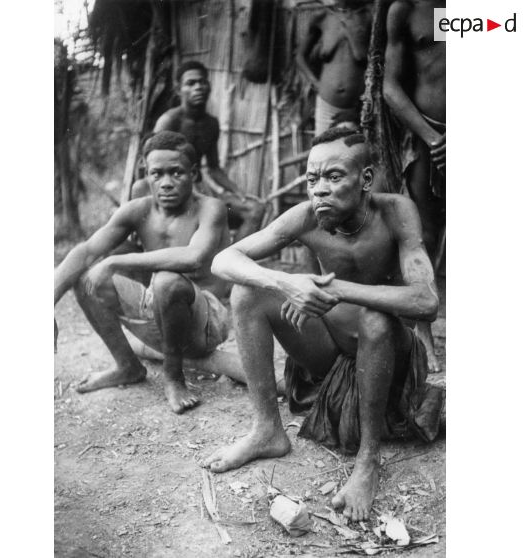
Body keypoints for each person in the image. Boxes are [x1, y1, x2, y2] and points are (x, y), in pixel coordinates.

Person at [205, 127, 443, 521]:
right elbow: (224, 260)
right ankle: (267, 430)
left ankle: (368, 461)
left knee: (376, 320)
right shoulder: (306, 217)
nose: (320, 189)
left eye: (334, 176)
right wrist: (286, 282)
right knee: (247, 293)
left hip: (388, 353)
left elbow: (426, 301)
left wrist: (333, 290)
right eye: (313, 179)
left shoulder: (396, 212)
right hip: (331, 350)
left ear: (365, 180)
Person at [54, 131, 230, 414]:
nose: (166, 183)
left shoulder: (211, 209)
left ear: (194, 173)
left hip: (205, 325)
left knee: (166, 280)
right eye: (157, 174)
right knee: (85, 277)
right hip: (158, 316)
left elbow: (192, 257)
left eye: (176, 173)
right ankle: (127, 366)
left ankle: (174, 378)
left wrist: (115, 262)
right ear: (146, 174)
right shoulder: (138, 209)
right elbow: (84, 251)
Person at [131, 61, 264, 242]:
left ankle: (230, 260)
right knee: (141, 188)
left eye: (202, 82)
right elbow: (152, 165)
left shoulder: (211, 124)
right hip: (176, 190)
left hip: (201, 191)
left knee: (255, 210)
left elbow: (214, 168)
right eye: (191, 83)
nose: (199, 87)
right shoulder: (169, 121)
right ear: (179, 90)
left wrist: (238, 191)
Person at [383, 0, 446, 372]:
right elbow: (392, 86)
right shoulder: (406, 9)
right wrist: (434, 139)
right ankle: (425, 339)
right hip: (429, 141)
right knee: (424, 236)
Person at [296, 0, 372, 134]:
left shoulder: (368, 17)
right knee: (322, 152)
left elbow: (376, 63)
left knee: (354, 153)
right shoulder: (322, 17)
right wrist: (315, 83)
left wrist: (360, 108)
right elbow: (300, 57)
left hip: (357, 107)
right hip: (326, 105)